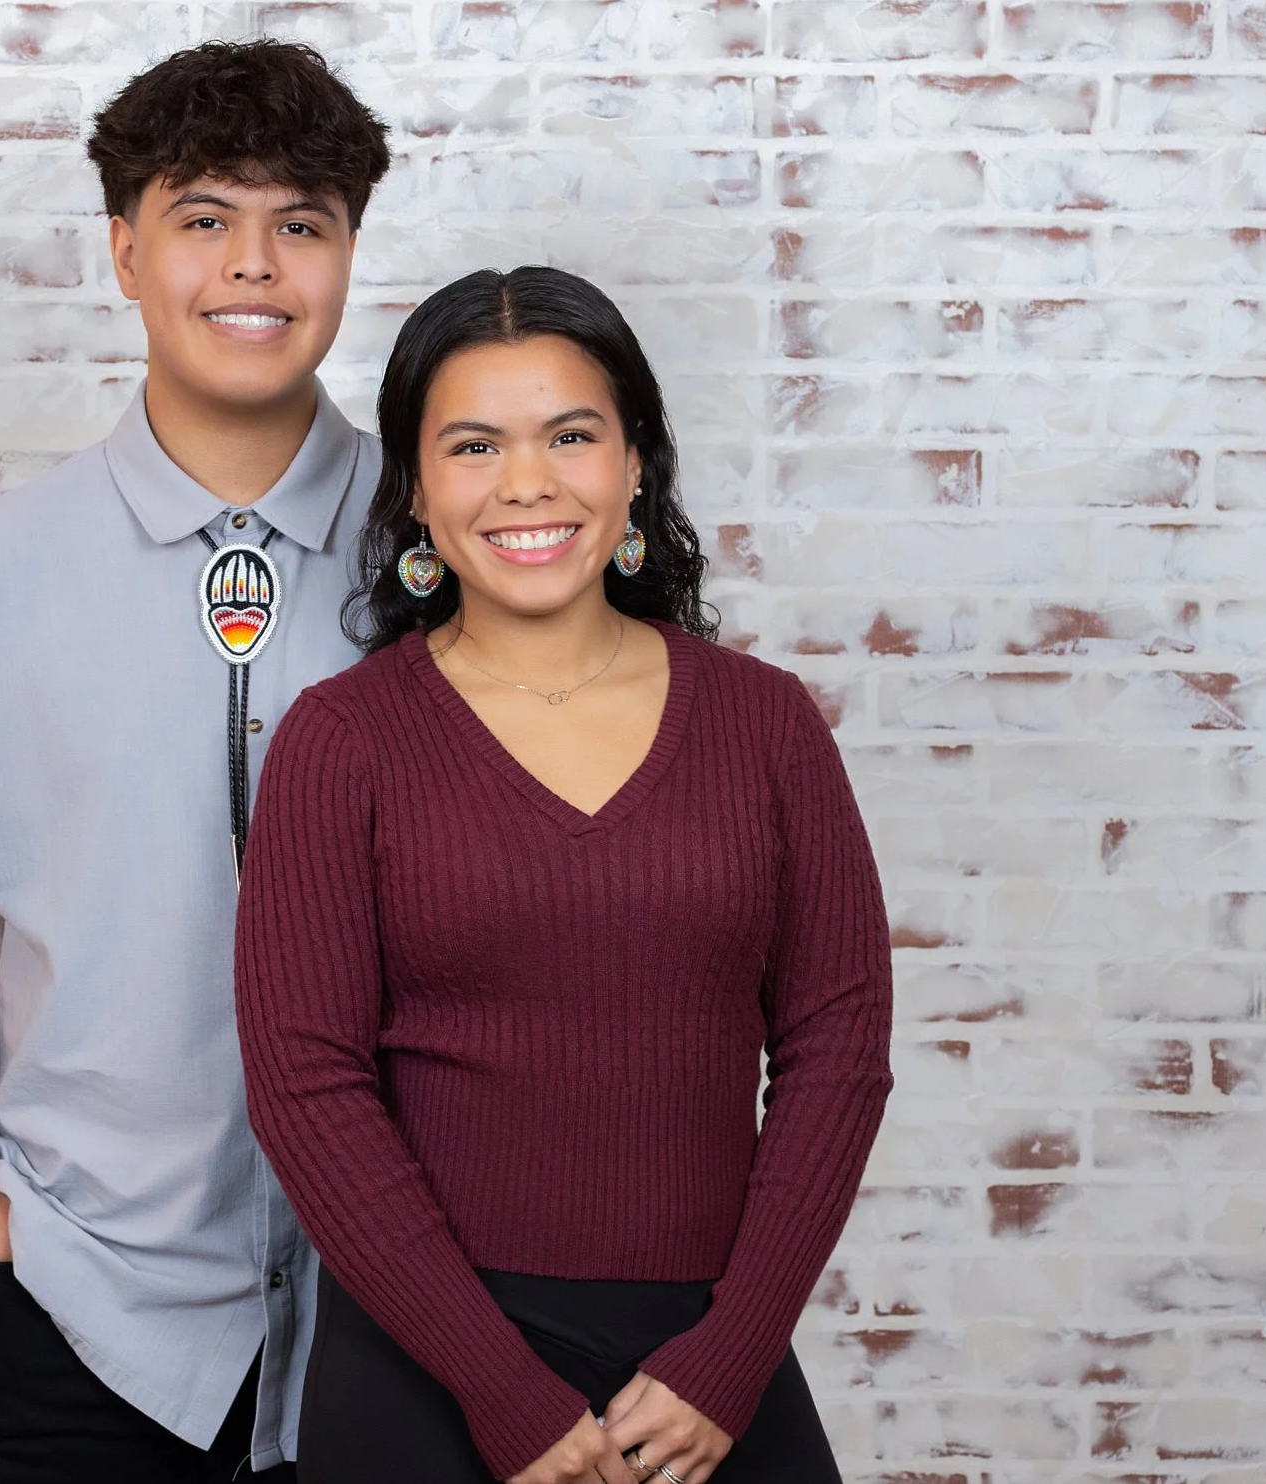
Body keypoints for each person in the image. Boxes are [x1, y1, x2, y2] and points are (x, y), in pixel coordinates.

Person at [235, 266, 894, 1484]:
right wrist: (499, 1387)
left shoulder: (764, 724)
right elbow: (305, 1083)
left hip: (702, 1373)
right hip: (425, 1364)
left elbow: (836, 1049)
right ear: (418, 487)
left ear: (634, 463)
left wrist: (732, 1356)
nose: (527, 482)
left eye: (571, 435)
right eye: (474, 444)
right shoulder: (344, 741)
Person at [0, 41, 389, 1483]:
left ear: (348, 254)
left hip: (408, 1312)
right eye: (204, 219)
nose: (252, 267)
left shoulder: (445, 552)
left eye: (301, 225)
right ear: (125, 252)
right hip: (77, 1305)